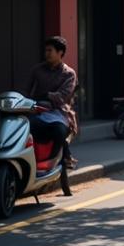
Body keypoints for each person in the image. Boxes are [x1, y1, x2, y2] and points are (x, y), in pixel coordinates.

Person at [27, 36, 78, 167]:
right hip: (36, 109)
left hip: (59, 113)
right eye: (46, 51)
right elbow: (27, 90)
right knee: (24, 127)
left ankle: (54, 161)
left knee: (59, 131)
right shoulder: (37, 70)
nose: (47, 54)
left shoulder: (69, 74)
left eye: (50, 50)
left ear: (60, 52)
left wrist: (46, 96)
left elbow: (62, 97)